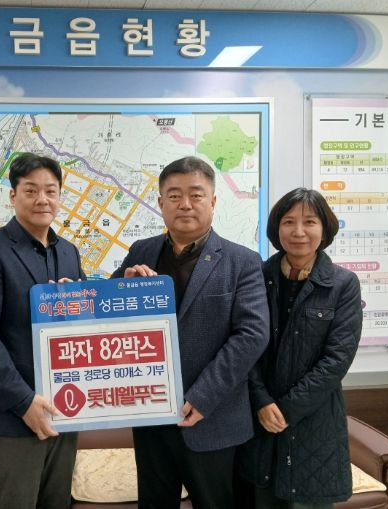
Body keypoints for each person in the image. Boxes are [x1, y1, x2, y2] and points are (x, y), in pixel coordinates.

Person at [112, 156, 270, 509]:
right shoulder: (141, 252)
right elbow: (109, 315)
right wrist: (122, 287)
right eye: (174, 195)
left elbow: (252, 335)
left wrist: (202, 397)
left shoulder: (242, 261)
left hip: (212, 417)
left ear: (213, 201)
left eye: (196, 195)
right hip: (151, 415)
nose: (185, 204)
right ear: (160, 203)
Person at [0, 152, 86, 509]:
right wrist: (22, 402)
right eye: (31, 190)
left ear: (60, 196)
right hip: (15, 414)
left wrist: (80, 303)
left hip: (65, 406)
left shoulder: (69, 252)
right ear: (13, 196)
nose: (42, 199)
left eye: (50, 190)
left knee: (56, 502)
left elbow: (83, 325)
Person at [237, 188, 363, 509]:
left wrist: (287, 409)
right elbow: (242, 344)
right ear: (276, 228)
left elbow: (337, 359)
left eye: (309, 222)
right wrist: (262, 401)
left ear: (325, 228)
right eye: (289, 222)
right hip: (258, 418)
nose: (298, 231)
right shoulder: (257, 276)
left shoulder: (343, 284)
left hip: (314, 421)